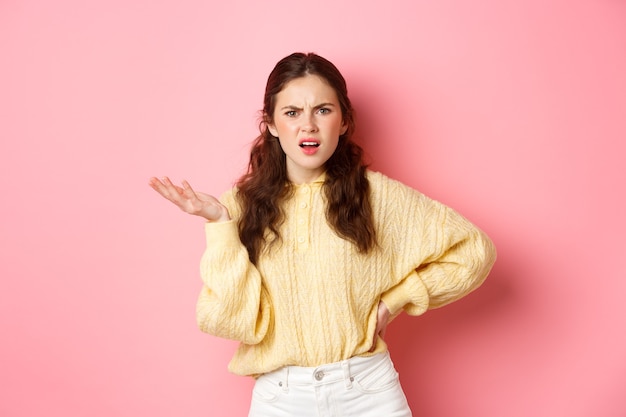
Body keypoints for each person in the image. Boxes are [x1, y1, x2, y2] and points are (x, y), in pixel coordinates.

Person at [149, 52, 496, 417]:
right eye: (292, 112)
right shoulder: (237, 205)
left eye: (323, 110)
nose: (308, 126)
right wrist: (220, 224)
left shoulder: (380, 197)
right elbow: (227, 319)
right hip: (280, 398)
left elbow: (474, 251)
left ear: (344, 121)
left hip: (367, 392)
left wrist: (398, 299)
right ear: (269, 123)